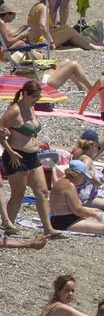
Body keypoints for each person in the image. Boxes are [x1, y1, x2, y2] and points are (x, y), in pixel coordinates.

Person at [3, 81, 53, 236]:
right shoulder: (14, 110)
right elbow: (0, 130)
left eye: (38, 97)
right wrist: (10, 151)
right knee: (18, 193)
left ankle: (48, 229)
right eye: (34, 96)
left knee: (43, 192)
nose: (36, 100)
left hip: (33, 156)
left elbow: (31, 131)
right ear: (24, 93)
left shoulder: (31, 108)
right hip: (17, 156)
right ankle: (8, 226)